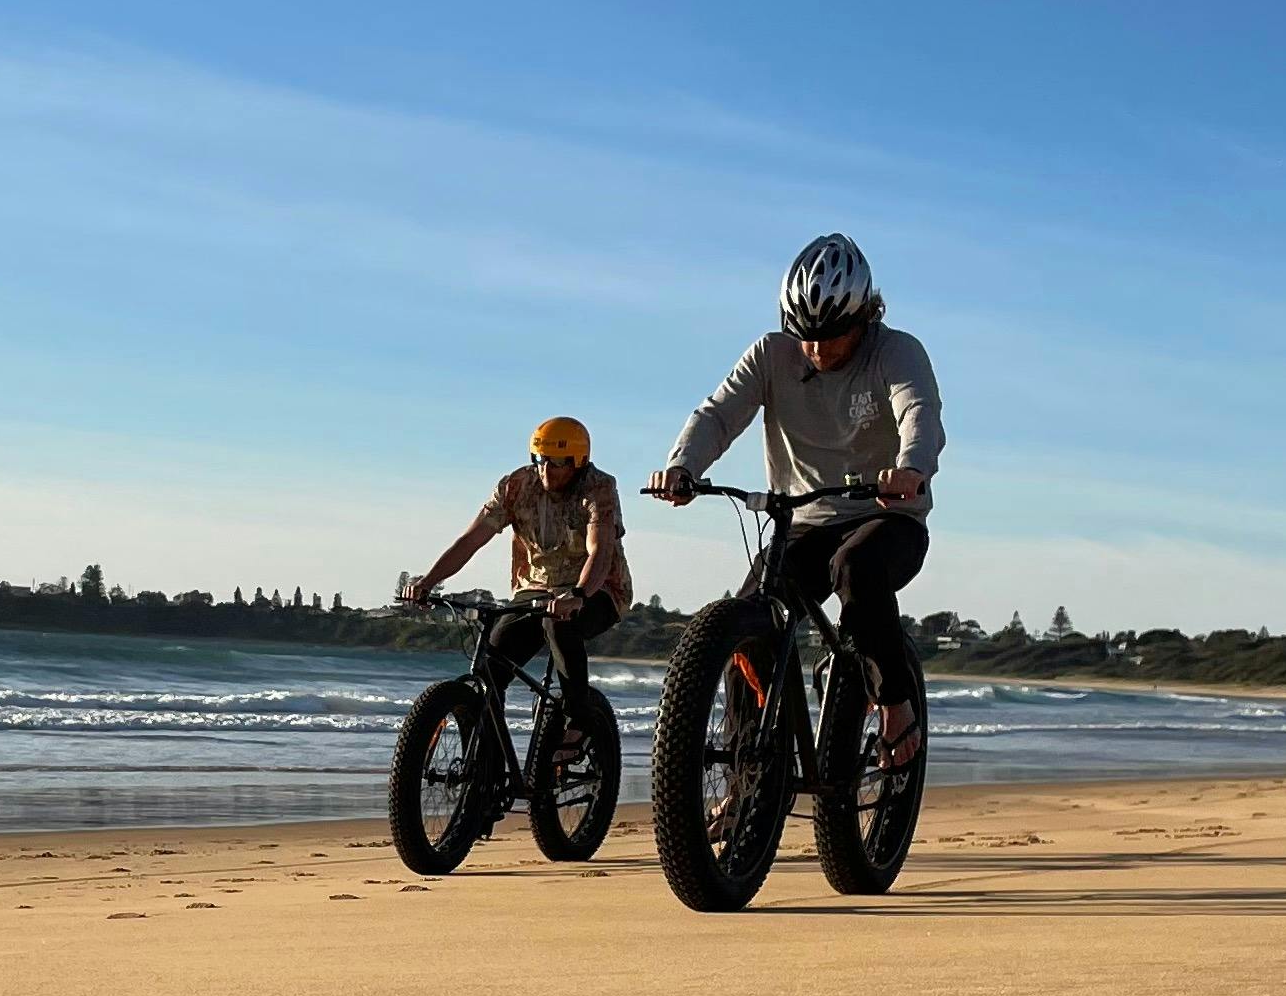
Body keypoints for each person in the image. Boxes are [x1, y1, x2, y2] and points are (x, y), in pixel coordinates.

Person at [646, 233, 944, 760]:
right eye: (803, 334)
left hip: (886, 515)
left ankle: (895, 703)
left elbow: (917, 411)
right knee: (745, 626)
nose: (816, 349)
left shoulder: (897, 352)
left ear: (863, 317)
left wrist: (911, 468)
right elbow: (717, 414)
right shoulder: (771, 354)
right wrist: (682, 466)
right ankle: (751, 776)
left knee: (855, 568)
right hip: (804, 522)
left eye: (830, 335)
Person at [401, 417, 634, 688]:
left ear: (578, 461)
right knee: (490, 674)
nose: (547, 470)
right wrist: (427, 582)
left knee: (558, 624)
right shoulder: (515, 486)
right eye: (541, 459)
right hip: (534, 588)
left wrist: (577, 595)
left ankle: (578, 722)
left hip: (598, 590)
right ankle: (482, 726)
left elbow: (600, 551)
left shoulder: (598, 487)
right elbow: (470, 540)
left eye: (558, 462)